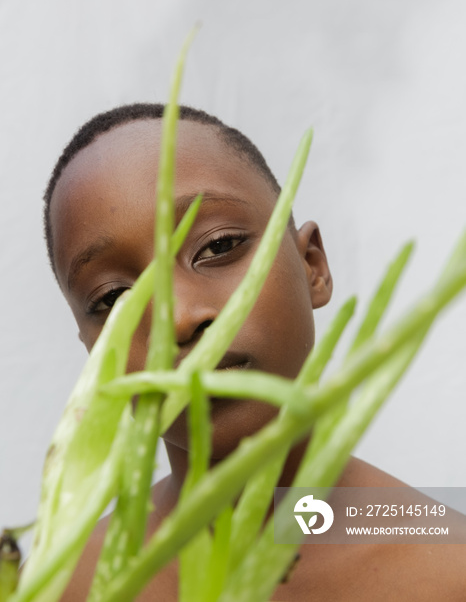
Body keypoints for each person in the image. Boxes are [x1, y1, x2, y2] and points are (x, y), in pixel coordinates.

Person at [44, 104, 466, 601]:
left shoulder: (448, 569)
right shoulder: (63, 584)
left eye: (219, 245)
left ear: (313, 266)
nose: (179, 319)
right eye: (114, 299)